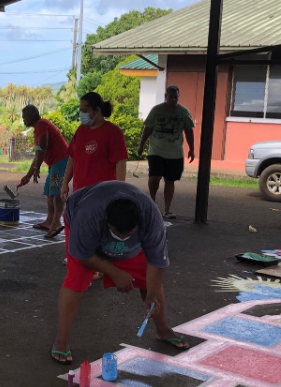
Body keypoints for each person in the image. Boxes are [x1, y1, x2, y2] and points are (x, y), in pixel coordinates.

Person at [50, 181, 190, 364]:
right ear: (107, 221)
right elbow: (83, 255)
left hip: (132, 244)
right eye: (118, 234)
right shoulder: (87, 216)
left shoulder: (151, 219)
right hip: (82, 222)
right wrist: (115, 273)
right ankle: (61, 340)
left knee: (149, 280)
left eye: (128, 235)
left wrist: (152, 295)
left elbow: (157, 261)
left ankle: (163, 329)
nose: (122, 239)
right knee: (76, 280)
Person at [137, 85, 195, 220]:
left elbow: (189, 131)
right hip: (156, 150)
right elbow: (148, 129)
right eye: (171, 97)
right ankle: (151, 204)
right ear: (166, 97)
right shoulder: (156, 111)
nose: (173, 100)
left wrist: (192, 148)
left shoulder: (184, 112)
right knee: (154, 177)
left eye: (176, 97)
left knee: (170, 180)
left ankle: (167, 210)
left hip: (175, 153)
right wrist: (141, 145)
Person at [60, 92, 128, 201]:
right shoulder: (81, 131)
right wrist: (65, 183)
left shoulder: (113, 132)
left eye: (85, 111)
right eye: (81, 110)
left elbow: (120, 163)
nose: (82, 114)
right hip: (79, 191)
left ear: (97, 110)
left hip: (103, 193)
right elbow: (72, 158)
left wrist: (119, 189)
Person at [17, 105, 70, 238]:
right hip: (54, 164)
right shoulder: (37, 129)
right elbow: (37, 155)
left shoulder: (42, 124)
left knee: (57, 192)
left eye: (24, 117)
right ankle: (49, 221)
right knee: (49, 192)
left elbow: (42, 148)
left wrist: (37, 168)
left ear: (31, 116)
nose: (23, 120)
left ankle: (56, 223)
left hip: (62, 161)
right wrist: (28, 175)